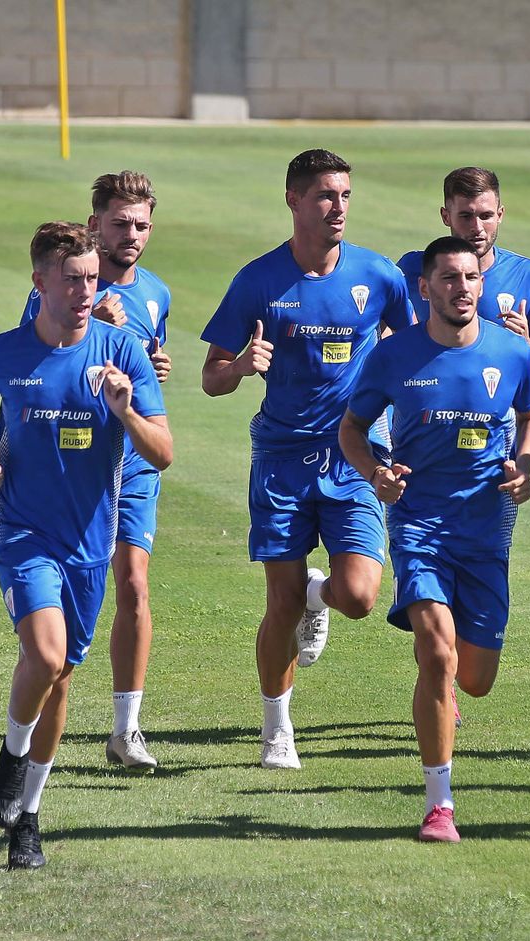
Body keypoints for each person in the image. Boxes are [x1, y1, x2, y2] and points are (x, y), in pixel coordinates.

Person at [0, 222, 172, 869]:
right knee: (44, 654)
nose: (86, 290)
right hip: (23, 530)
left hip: (88, 543)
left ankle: (28, 815)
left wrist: (126, 410)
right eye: (73, 279)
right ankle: (11, 757)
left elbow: (162, 453)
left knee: (61, 676)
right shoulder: (6, 353)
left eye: (91, 279)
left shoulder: (121, 352)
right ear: (40, 282)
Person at [200, 149, 411, 770]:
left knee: (360, 597)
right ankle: (277, 731)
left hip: (354, 455)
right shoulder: (259, 280)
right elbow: (211, 377)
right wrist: (239, 367)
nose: (337, 207)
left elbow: (410, 346)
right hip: (282, 458)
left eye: (344, 195)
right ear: (293, 200)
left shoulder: (380, 277)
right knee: (279, 603)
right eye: (324, 195)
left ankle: (322, 599)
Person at [339, 236, 530, 843]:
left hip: (485, 531)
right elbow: (353, 428)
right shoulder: (395, 356)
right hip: (419, 524)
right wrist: (375, 472)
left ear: (482, 284)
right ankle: (440, 805)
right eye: (449, 278)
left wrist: (525, 464)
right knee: (435, 650)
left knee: (475, 678)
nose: (462, 287)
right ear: (424, 287)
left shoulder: (511, 352)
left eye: (471, 277)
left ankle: (449, 684)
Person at [18, 171, 173, 772]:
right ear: (94, 225)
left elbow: (148, 373)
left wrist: (153, 364)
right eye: (118, 224)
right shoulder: (60, 286)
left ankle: (126, 730)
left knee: (134, 582)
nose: (130, 235)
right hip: (72, 467)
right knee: (71, 623)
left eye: (140, 224)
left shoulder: (156, 291)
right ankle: (46, 706)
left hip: (131, 461)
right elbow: (33, 356)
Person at [397, 167, 530, 382]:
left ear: (500, 215)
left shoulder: (527, 274)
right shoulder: (413, 268)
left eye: (486, 216)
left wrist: (527, 345)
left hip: (494, 413)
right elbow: (383, 336)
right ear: (446, 216)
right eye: (466, 216)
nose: (477, 228)